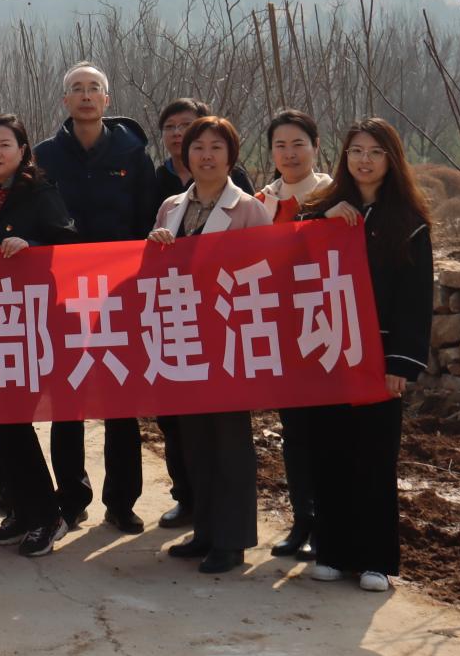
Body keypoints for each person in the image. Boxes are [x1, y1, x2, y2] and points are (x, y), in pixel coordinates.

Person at [302, 118, 433, 594]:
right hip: (327, 350)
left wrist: (401, 363)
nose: (364, 160)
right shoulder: (321, 209)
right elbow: (289, 259)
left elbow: (416, 300)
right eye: (356, 150)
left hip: (377, 355)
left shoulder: (409, 224)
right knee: (328, 453)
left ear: (391, 160)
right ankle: (332, 552)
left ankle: (375, 560)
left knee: (375, 457)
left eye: (375, 152)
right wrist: (321, 220)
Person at [148, 116, 273, 575]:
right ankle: (204, 530)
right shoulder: (171, 207)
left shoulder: (249, 210)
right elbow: (154, 273)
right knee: (194, 440)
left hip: (230, 338)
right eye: (198, 147)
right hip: (186, 337)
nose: (206, 155)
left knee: (230, 442)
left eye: (216, 147)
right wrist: (155, 245)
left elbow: (266, 272)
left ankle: (232, 539)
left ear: (231, 156)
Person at [33, 63, 153, 536]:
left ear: (107, 99)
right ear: (65, 101)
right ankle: (71, 497)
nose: (85, 96)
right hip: (62, 294)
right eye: (76, 89)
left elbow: (146, 219)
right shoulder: (44, 156)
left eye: (94, 89)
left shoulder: (132, 153)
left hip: (119, 294)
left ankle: (121, 502)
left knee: (120, 401)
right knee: (67, 402)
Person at [0, 115, 79, 557]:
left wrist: (32, 246)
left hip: (25, 321)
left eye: (5, 145)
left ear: (23, 150)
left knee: (14, 418)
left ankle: (48, 514)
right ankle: (23, 509)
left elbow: (69, 244)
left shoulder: (39, 192)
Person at [258, 108, 333, 559]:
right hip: (282, 332)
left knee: (328, 433)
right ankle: (302, 519)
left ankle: (330, 523)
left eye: (298, 144)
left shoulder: (335, 197)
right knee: (295, 432)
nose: (289, 154)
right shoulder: (262, 203)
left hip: (325, 330)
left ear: (316, 146)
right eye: (280, 145)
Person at [152, 96, 254, 211]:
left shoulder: (234, 176)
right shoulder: (156, 178)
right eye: (169, 126)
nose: (176, 132)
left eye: (186, 125)